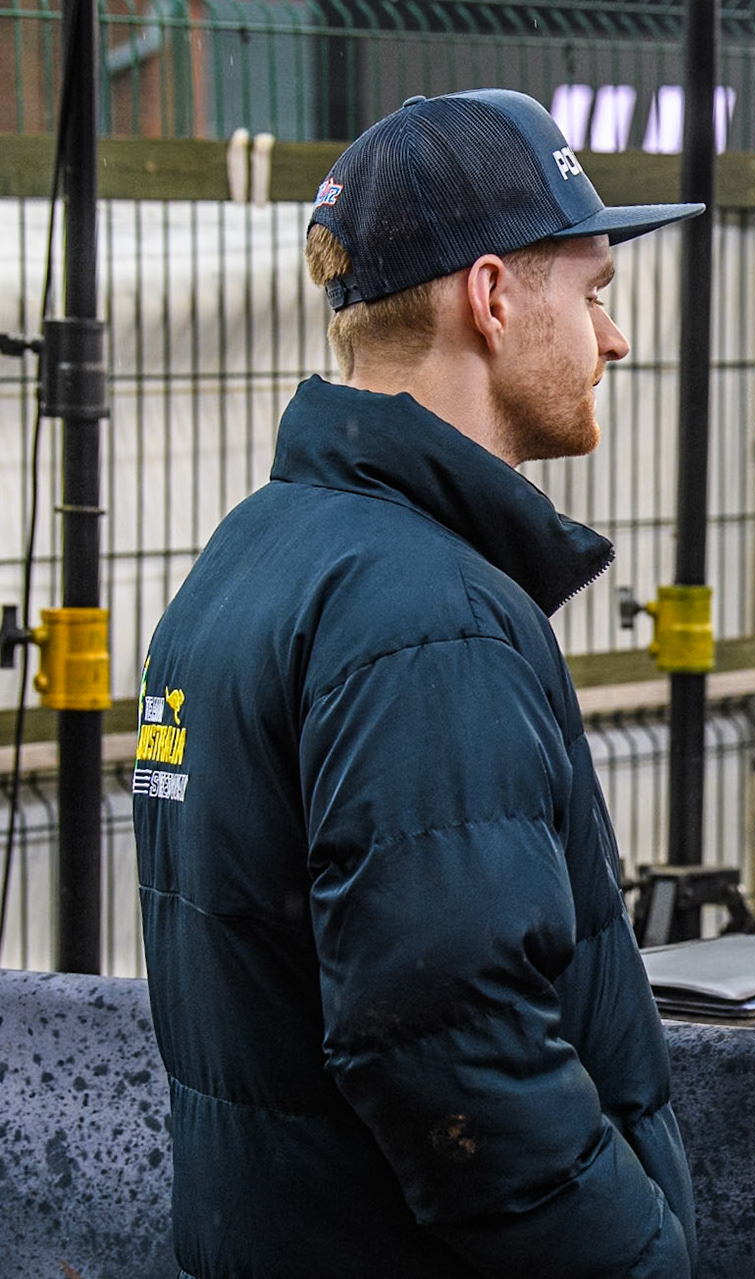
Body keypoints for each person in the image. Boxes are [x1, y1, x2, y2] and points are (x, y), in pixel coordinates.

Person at [133, 90, 704, 1278]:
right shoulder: (424, 615)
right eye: (592, 291)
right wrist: (641, 1259)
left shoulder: (246, 561)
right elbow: (451, 1054)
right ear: (491, 298)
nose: (616, 339)